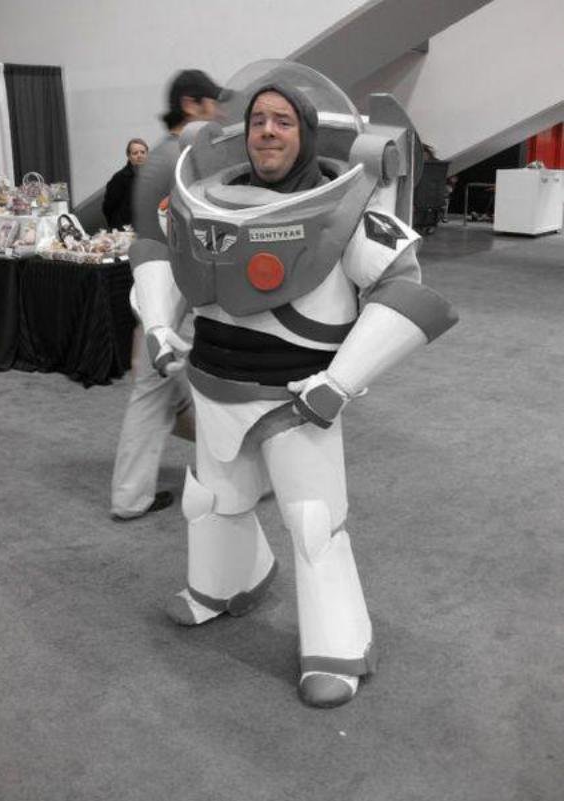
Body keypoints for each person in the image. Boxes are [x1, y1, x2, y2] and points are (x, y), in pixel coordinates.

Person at [133, 60, 458, 707]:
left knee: (312, 524)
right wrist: (160, 327)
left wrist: (342, 380)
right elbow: (160, 255)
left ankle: (338, 644)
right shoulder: (205, 199)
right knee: (209, 502)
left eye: (282, 121)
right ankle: (226, 583)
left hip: (297, 401)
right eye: (258, 120)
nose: (267, 131)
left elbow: (405, 290)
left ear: (304, 133)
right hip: (215, 387)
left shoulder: (346, 207)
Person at [110, 70, 224, 520]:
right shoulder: (184, 158)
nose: (218, 112)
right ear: (193, 104)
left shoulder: (163, 154)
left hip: (155, 283)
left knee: (165, 390)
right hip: (170, 284)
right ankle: (130, 497)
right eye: (213, 103)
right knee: (155, 389)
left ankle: (234, 464)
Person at [102, 138, 149, 230]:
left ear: (147, 154)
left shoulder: (153, 176)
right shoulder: (119, 178)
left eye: (143, 152)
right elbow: (108, 207)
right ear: (129, 156)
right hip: (125, 230)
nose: (139, 156)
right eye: (135, 153)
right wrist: (118, 225)